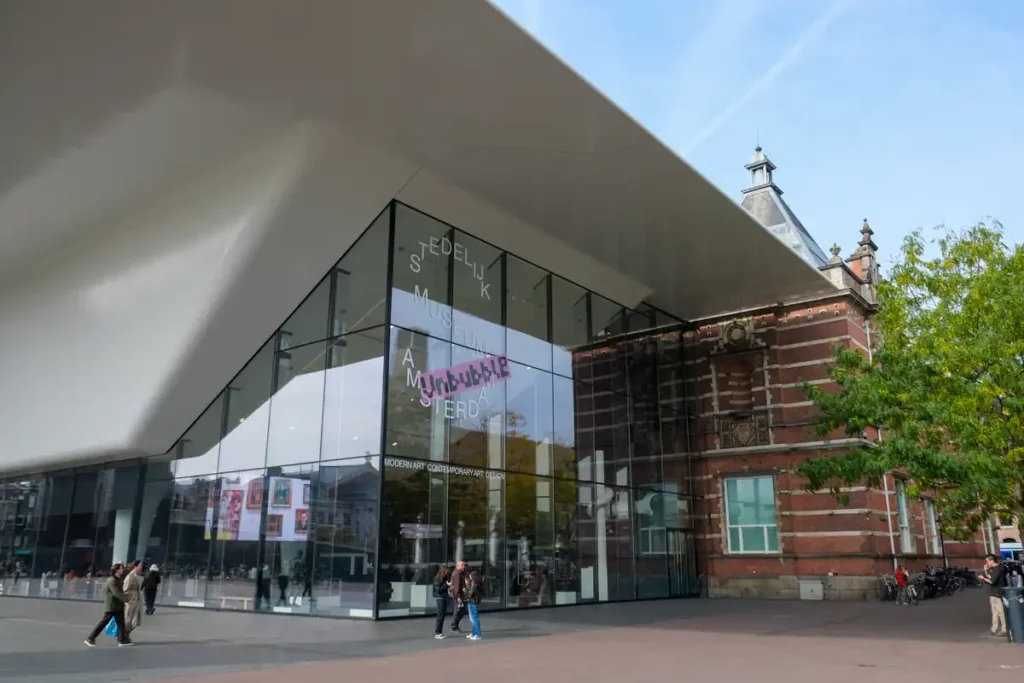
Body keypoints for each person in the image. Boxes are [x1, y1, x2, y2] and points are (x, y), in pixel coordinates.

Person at [84, 563, 132, 647]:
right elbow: (116, 593)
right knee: (103, 622)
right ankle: (90, 638)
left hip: (118, 605)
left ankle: (122, 640)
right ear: (116, 570)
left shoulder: (118, 579)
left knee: (121, 623)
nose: (122, 570)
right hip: (112, 606)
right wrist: (127, 599)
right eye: (121, 568)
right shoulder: (112, 580)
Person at [980, 554, 1008, 636]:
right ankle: (994, 628)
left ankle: (1004, 629)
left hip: (997, 592)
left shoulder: (998, 569)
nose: (987, 563)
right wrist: (986, 571)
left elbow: (992, 581)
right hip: (993, 592)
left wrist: (983, 578)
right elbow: (989, 577)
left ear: (992, 560)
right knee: (994, 612)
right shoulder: (993, 569)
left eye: (987, 561)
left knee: (1000, 612)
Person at [123, 561, 144, 635]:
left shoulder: (137, 576)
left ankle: (126, 634)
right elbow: (125, 589)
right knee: (129, 619)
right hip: (131, 601)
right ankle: (124, 635)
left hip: (137, 601)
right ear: (135, 566)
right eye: (140, 565)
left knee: (136, 620)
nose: (141, 567)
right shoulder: (130, 576)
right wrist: (129, 599)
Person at [449, 560, 468, 633]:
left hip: (461, 595)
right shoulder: (457, 574)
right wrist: (458, 596)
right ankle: (454, 626)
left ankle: (455, 625)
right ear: (458, 566)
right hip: (458, 596)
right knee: (458, 611)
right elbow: (456, 586)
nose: (464, 567)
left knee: (461, 611)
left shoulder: (462, 573)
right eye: (462, 565)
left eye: (464, 565)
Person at [466, 569, 484, 641]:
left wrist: (467, 586)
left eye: (470, 576)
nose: (470, 577)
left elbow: (471, 593)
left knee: (474, 618)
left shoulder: (474, 583)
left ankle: (477, 634)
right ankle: (474, 633)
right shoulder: (479, 583)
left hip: (472, 601)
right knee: (473, 618)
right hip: (475, 601)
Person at [433, 566, 450, 640]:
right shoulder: (438, 579)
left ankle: (439, 632)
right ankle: (438, 632)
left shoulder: (442, 579)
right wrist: (447, 585)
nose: (447, 573)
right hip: (440, 598)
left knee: (442, 615)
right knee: (440, 615)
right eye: (446, 571)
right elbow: (438, 590)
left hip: (443, 598)